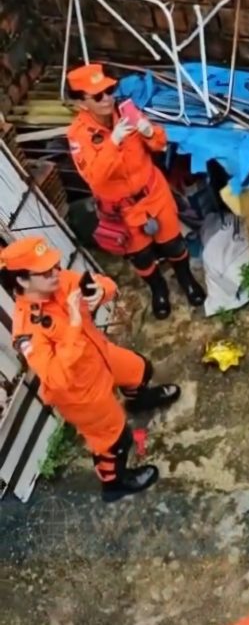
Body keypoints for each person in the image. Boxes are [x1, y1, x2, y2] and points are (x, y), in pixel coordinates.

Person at [0, 237, 181, 502]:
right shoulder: (27, 330)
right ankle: (114, 483)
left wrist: (102, 290)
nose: (55, 273)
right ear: (23, 280)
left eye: (55, 265)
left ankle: (138, 400)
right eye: (45, 271)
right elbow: (56, 378)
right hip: (79, 391)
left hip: (99, 356)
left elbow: (100, 282)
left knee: (141, 369)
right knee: (115, 440)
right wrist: (74, 323)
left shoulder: (59, 280)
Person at [65, 63, 206, 320]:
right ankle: (158, 289)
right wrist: (113, 142)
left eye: (109, 90)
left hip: (153, 193)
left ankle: (186, 280)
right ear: (80, 103)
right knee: (140, 255)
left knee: (173, 243)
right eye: (98, 96)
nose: (107, 99)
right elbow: (94, 178)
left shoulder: (125, 111)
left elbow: (160, 143)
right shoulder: (78, 136)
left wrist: (150, 131)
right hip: (123, 209)